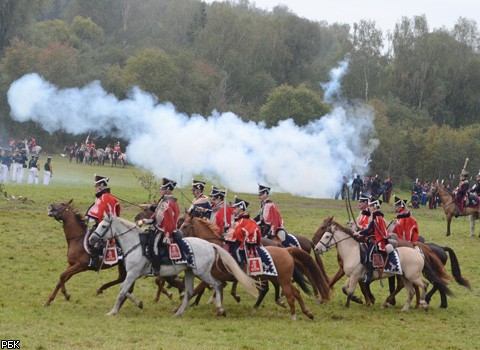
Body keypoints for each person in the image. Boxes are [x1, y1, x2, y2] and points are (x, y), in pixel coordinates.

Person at [137, 177, 180, 276]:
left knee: (154, 246)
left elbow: (169, 222)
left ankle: (156, 268)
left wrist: (167, 235)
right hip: (158, 227)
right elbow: (157, 214)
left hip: (164, 231)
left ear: (169, 190)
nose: (161, 190)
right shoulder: (164, 201)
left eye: (163, 189)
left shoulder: (169, 203)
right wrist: (145, 220)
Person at [84, 175, 121, 270]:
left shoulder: (106, 197)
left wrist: (89, 217)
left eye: (96, 186)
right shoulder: (102, 196)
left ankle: (96, 262)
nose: (95, 188)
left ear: (101, 186)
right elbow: (97, 210)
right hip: (101, 223)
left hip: (107, 225)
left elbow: (103, 213)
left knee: (94, 240)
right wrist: (88, 216)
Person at [354, 197, 392, 282]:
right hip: (371, 238)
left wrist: (359, 233)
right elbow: (369, 229)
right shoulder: (375, 215)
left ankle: (369, 274)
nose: (369, 208)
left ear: (375, 206)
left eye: (370, 206)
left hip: (376, 240)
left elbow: (369, 229)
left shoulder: (376, 216)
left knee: (368, 255)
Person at [225, 196, 262, 268]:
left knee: (236, 251)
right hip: (238, 242)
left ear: (240, 209)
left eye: (235, 209)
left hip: (246, 244)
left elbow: (237, 233)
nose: (233, 211)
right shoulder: (238, 220)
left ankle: (241, 267)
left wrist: (227, 236)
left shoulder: (246, 221)